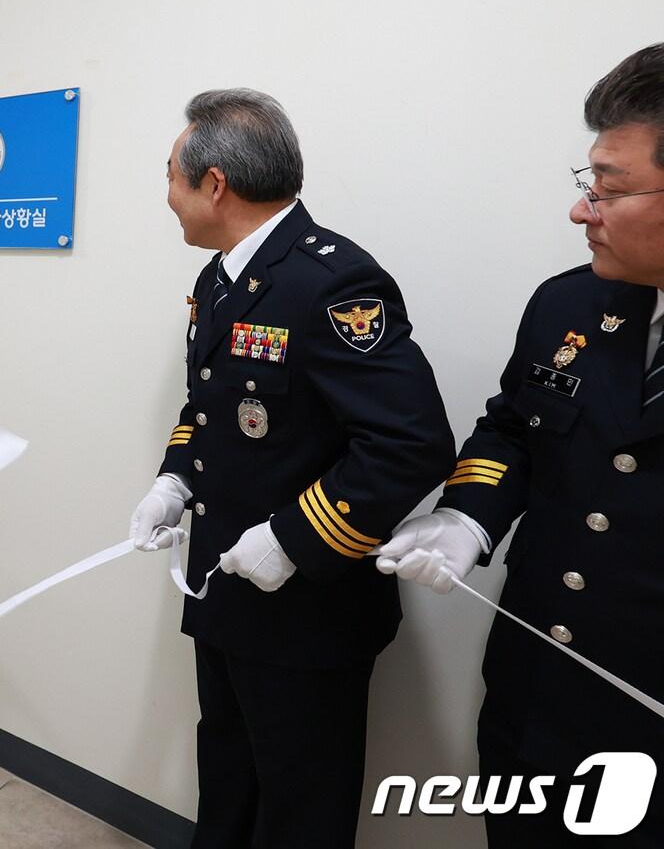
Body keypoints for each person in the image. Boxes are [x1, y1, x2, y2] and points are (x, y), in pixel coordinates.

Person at [127, 90, 454, 848]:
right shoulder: (220, 279)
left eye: (171, 175)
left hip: (308, 610)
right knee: (229, 776)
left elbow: (410, 443)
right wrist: (176, 479)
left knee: (301, 810)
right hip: (226, 592)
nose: (166, 194)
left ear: (215, 184)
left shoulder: (330, 282)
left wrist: (291, 540)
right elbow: (208, 407)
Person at [378, 43, 664, 846]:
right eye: (588, 185)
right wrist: (467, 516)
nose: (583, 211)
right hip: (537, 690)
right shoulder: (569, 305)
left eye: (609, 190)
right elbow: (514, 425)